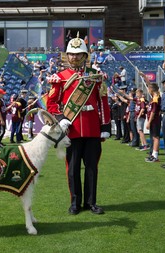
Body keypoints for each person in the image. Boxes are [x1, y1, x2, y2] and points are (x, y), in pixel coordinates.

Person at [46, 34, 111, 215]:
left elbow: (103, 102)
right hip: (71, 130)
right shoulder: (59, 78)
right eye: (71, 54)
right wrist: (61, 119)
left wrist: (105, 127)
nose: (74, 57)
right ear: (67, 56)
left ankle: (91, 202)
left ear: (85, 56)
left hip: (92, 129)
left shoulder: (95, 76)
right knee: (73, 169)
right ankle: (75, 203)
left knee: (91, 168)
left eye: (78, 54)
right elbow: (51, 104)